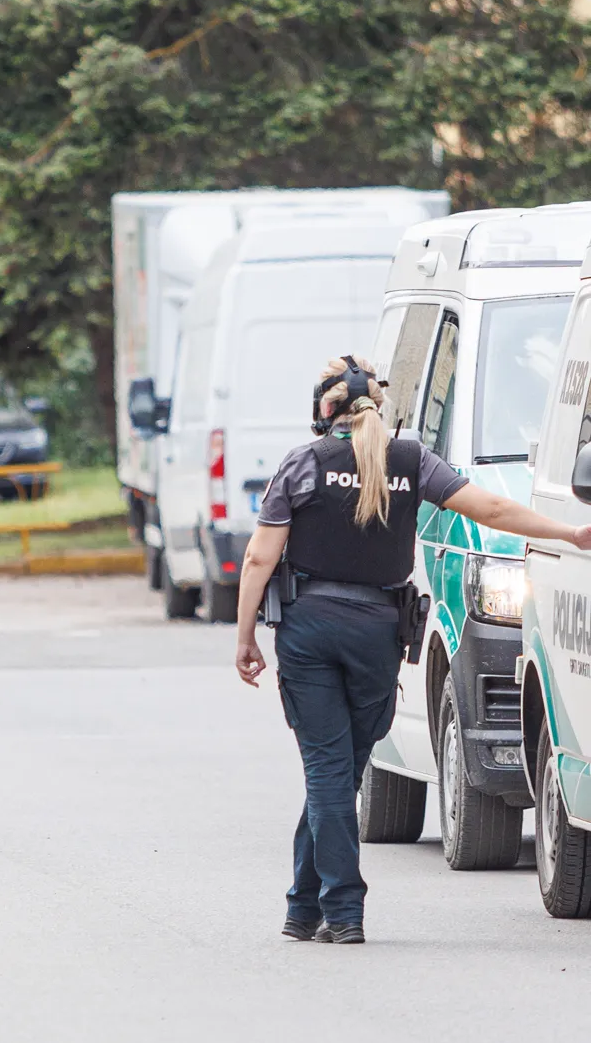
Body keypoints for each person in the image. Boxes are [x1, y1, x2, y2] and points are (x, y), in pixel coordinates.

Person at [235, 355, 591, 943]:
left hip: (310, 633)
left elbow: (258, 557)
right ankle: (303, 906)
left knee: (329, 771)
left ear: (324, 411)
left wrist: (246, 635)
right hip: (378, 633)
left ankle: (342, 907)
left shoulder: (302, 464)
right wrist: (567, 532)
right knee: (339, 771)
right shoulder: (411, 462)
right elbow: (494, 510)